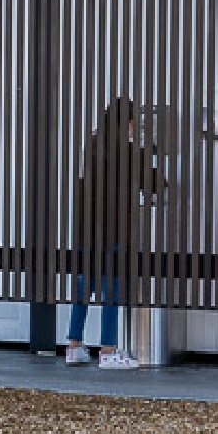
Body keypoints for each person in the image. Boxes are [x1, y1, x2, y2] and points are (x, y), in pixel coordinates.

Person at [65, 95, 164, 370]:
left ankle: (74, 345)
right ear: (128, 123)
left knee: (84, 284)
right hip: (113, 230)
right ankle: (108, 350)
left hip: (86, 229)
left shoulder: (93, 144)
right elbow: (152, 183)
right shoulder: (127, 151)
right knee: (112, 286)